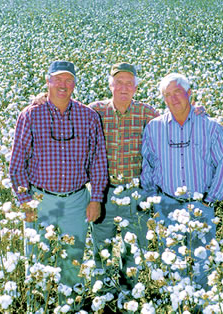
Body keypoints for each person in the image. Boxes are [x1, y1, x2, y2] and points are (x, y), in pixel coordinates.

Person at [9, 60, 108, 289]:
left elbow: (98, 162)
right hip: (40, 201)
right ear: (48, 81)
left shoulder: (88, 116)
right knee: (36, 262)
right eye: (58, 79)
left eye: (68, 80)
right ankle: (37, 307)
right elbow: (16, 165)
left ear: (74, 84)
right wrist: (27, 203)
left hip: (76, 201)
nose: (63, 84)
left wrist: (96, 200)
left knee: (73, 261)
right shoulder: (31, 115)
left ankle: (69, 304)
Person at [141, 73, 223, 289]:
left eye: (178, 93)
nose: (173, 99)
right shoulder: (154, 128)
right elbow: (147, 165)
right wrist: (153, 201)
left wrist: (211, 200)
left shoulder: (210, 126)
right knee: (174, 263)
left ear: (189, 93)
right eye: (167, 95)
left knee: (204, 266)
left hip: (201, 206)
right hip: (167, 206)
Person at [89, 63, 160, 288]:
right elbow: (66, 112)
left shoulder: (147, 113)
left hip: (135, 193)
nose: (123, 87)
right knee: (101, 248)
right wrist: (42, 98)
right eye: (119, 82)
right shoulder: (95, 111)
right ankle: (101, 293)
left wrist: (196, 111)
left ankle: (130, 295)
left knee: (134, 250)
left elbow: (175, 124)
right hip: (103, 193)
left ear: (135, 88)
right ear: (110, 85)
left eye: (129, 83)